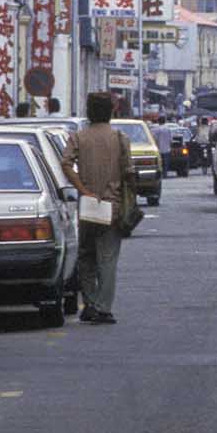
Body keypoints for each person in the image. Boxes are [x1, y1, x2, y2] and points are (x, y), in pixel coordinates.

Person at [61, 91, 136, 325]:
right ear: (111, 112)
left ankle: (90, 303)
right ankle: (104, 308)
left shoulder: (78, 137)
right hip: (112, 207)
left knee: (86, 256)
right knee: (108, 259)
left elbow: (66, 164)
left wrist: (83, 189)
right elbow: (129, 173)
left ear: (89, 112)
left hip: (88, 207)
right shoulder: (119, 138)